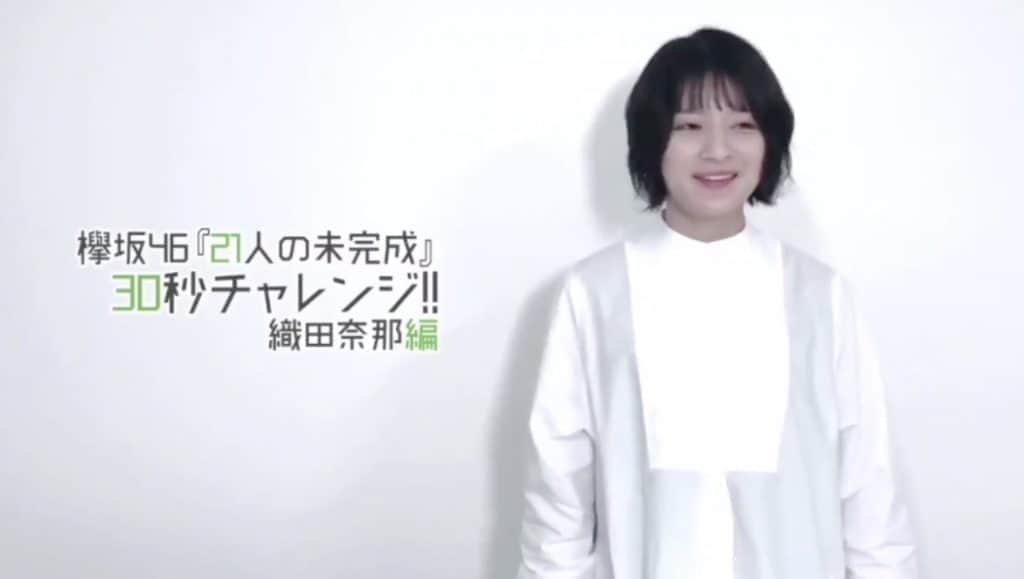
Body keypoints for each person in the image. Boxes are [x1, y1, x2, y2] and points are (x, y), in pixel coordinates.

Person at [514, 27, 920, 579]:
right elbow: (558, 494)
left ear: (769, 141)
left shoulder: (819, 295)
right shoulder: (594, 293)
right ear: (653, 140)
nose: (717, 149)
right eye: (689, 126)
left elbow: (870, 489)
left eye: (742, 125)